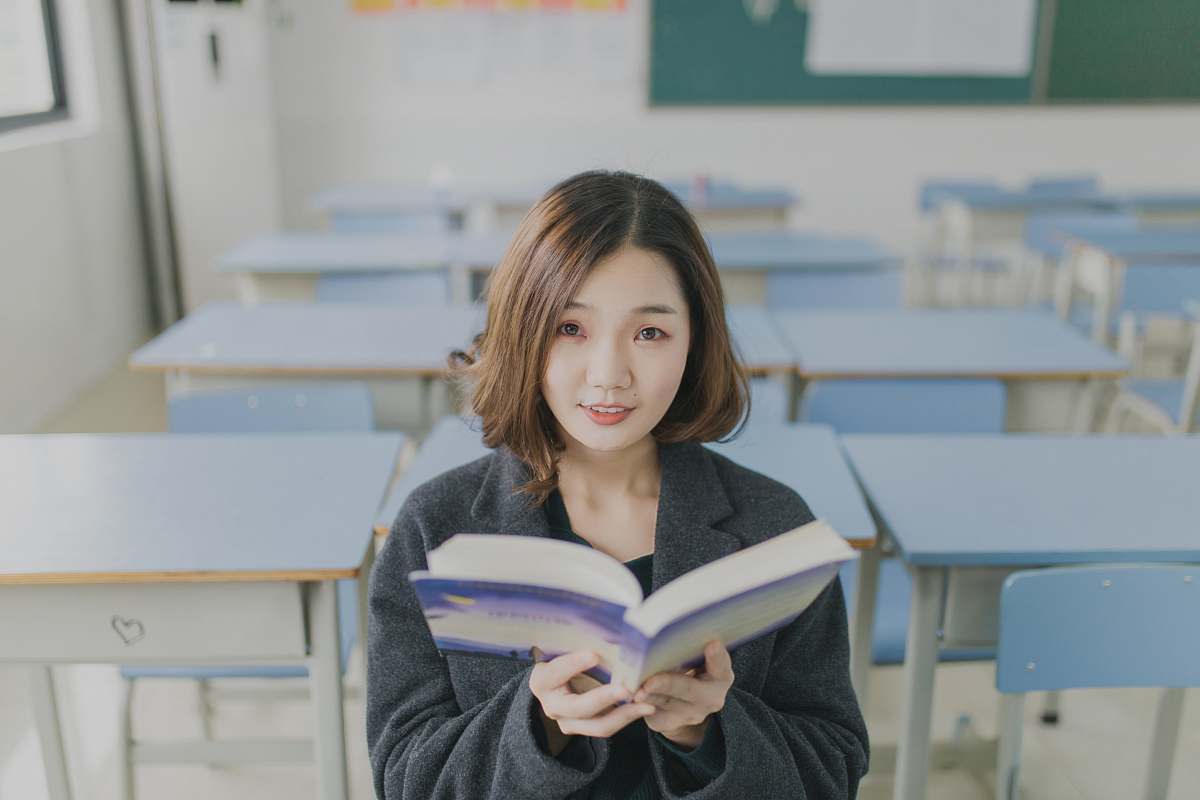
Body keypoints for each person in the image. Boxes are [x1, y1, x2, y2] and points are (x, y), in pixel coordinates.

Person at [367, 170, 869, 799]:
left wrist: (705, 733)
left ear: (693, 343)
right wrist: (539, 726)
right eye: (569, 328)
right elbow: (406, 779)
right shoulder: (436, 528)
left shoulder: (773, 527)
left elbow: (833, 771)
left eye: (650, 332)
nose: (608, 375)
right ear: (523, 332)